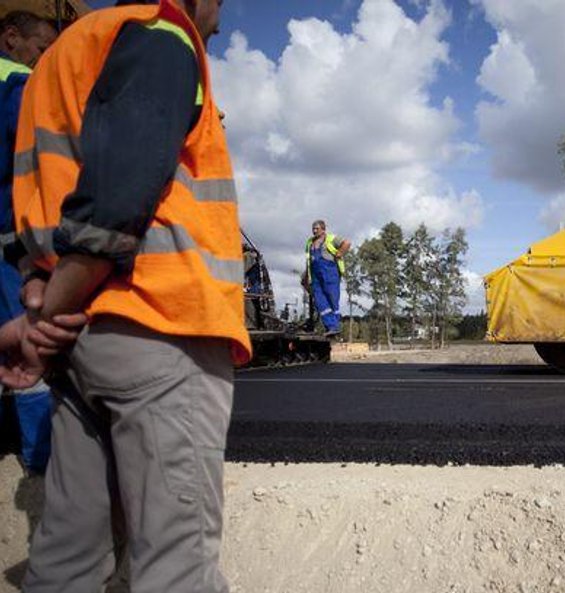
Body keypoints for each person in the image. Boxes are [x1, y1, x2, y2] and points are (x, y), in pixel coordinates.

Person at [9, 1, 251, 591]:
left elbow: (37, 203)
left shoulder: (58, 59)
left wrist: (39, 302)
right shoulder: (162, 34)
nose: (221, 11)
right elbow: (117, 199)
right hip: (161, 328)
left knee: (66, 559)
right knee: (176, 567)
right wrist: (56, 308)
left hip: (80, 346)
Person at [0, 10, 59, 474]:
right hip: (9, 241)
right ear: (11, 37)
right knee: (27, 344)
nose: (44, 62)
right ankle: (40, 458)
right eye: (41, 51)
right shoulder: (19, 86)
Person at [304, 219, 350, 337]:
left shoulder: (330, 238)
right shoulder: (309, 243)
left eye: (317, 228)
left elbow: (347, 243)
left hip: (330, 272)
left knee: (332, 298)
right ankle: (330, 326)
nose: (314, 231)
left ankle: (335, 326)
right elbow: (309, 261)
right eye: (313, 228)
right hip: (315, 275)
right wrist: (306, 277)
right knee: (319, 300)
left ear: (323, 229)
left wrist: (340, 253)